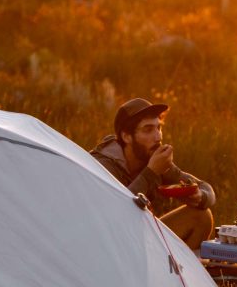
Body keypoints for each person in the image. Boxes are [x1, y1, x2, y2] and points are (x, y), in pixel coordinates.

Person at [91, 97, 215, 248]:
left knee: (201, 217)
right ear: (126, 136)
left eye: (159, 128)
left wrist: (200, 196)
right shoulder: (103, 165)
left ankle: (178, 271)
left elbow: (205, 187)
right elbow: (113, 217)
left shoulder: (150, 157)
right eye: (148, 130)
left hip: (140, 238)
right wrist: (151, 172)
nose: (158, 137)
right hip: (108, 245)